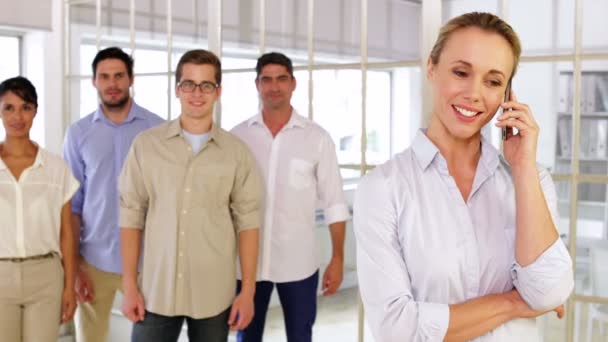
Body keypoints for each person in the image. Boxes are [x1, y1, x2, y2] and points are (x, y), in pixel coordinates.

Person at [353, 12, 574, 341]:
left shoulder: (531, 180)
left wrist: (523, 165)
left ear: (506, 95)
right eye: (461, 72)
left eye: (493, 81)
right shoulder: (383, 189)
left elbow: (549, 290)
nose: (474, 93)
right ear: (432, 67)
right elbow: (396, 328)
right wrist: (515, 302)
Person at [119, 49, 261, 342]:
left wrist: (247, 292)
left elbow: (248, 224)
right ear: (176, 89)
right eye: (188, 84)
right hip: (155, 292)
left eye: (206, 85)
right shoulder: (146, 146)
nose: (197, 93)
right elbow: (131, 215)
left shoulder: (236, 153)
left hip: (214, 294)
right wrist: (130, 285)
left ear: (218, 91)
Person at [231, 52, 350, 342]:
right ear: (257, 84)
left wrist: (337, 258)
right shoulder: (237, 137)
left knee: (300, 336)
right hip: (247, 265)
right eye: (267, 79)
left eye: (281, 79)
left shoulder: (317, 138)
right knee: (246, 337)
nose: (274, 87)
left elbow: (335, 202)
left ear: (293, 83)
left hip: (299, 264)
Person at [63, 46, 164, 342]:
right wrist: (76, 267)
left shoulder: (156, 129)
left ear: (131, 79)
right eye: (104, 76)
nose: (112, 83)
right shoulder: (79, 133)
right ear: (94, 81)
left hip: (148, 261)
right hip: (94, 261)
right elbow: (72, 206)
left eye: (119, 75)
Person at [0, 76, 79, 341]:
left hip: (46, 277)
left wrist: (69, 287)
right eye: (8, 108)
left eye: (25, 107)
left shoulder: (56, 167)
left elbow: (67, 232)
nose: (17, 116)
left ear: (35, 110)